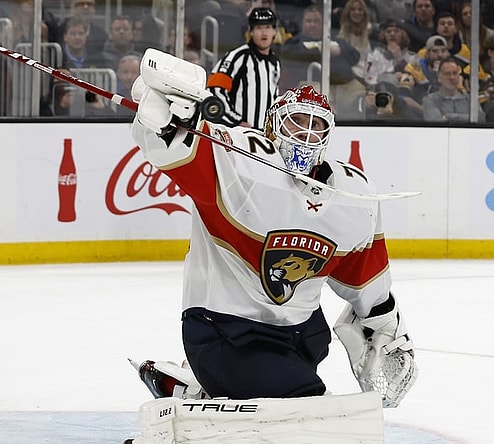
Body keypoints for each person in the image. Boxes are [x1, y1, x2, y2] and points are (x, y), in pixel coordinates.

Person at [130, 49, 417, 404]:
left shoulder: (350, 192)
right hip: (223, 330)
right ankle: (224, 385)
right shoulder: (237, 159)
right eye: (296, 121)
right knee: (302, 402)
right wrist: (164, 122)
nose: (306, 135)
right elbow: (174, 148)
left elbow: (365, 276)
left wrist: (385, 327)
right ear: (271, 126)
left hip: (300, 338)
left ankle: (191, 390)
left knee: (285, 389)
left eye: (317, 127)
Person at [279, 6, 364, 119]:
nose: (312, 24)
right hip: (313, 84)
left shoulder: (335, 41)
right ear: (303, 23)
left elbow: (355, 56)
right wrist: (321, 51)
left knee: (363, 96)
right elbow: (289, 55)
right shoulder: (295, 42)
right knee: (322, 102)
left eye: (316, 21)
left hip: (344, 84)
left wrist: (340, 50)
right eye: (309, 21)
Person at [206, 7, 282, 130]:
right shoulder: (237, 57)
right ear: (250, 32)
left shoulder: (275, 63)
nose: (264, 33)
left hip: (262, 137)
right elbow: (215, 89)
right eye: (258, 28)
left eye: (268, 27)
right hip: (236, 133)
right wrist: (236, 121)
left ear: (274, 31)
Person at [423, 58, 485, 122]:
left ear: (459, 76)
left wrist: (448, 117)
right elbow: (435, 121)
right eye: (447, 74)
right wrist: (468, 118)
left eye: (455, 73)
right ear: (439, 77)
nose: (451, 77)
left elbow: (480, 119)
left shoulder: (469, 99)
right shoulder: (430, 100)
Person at [364, 20, 419, 87]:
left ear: (403, 34)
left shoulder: (413, 57)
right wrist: (391, 78)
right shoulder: (374, 55)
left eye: (396, 31)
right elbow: (369, 79)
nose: (392, 34)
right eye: (388, 31)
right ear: (384, 35)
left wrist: (399, 59)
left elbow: (417, 80)